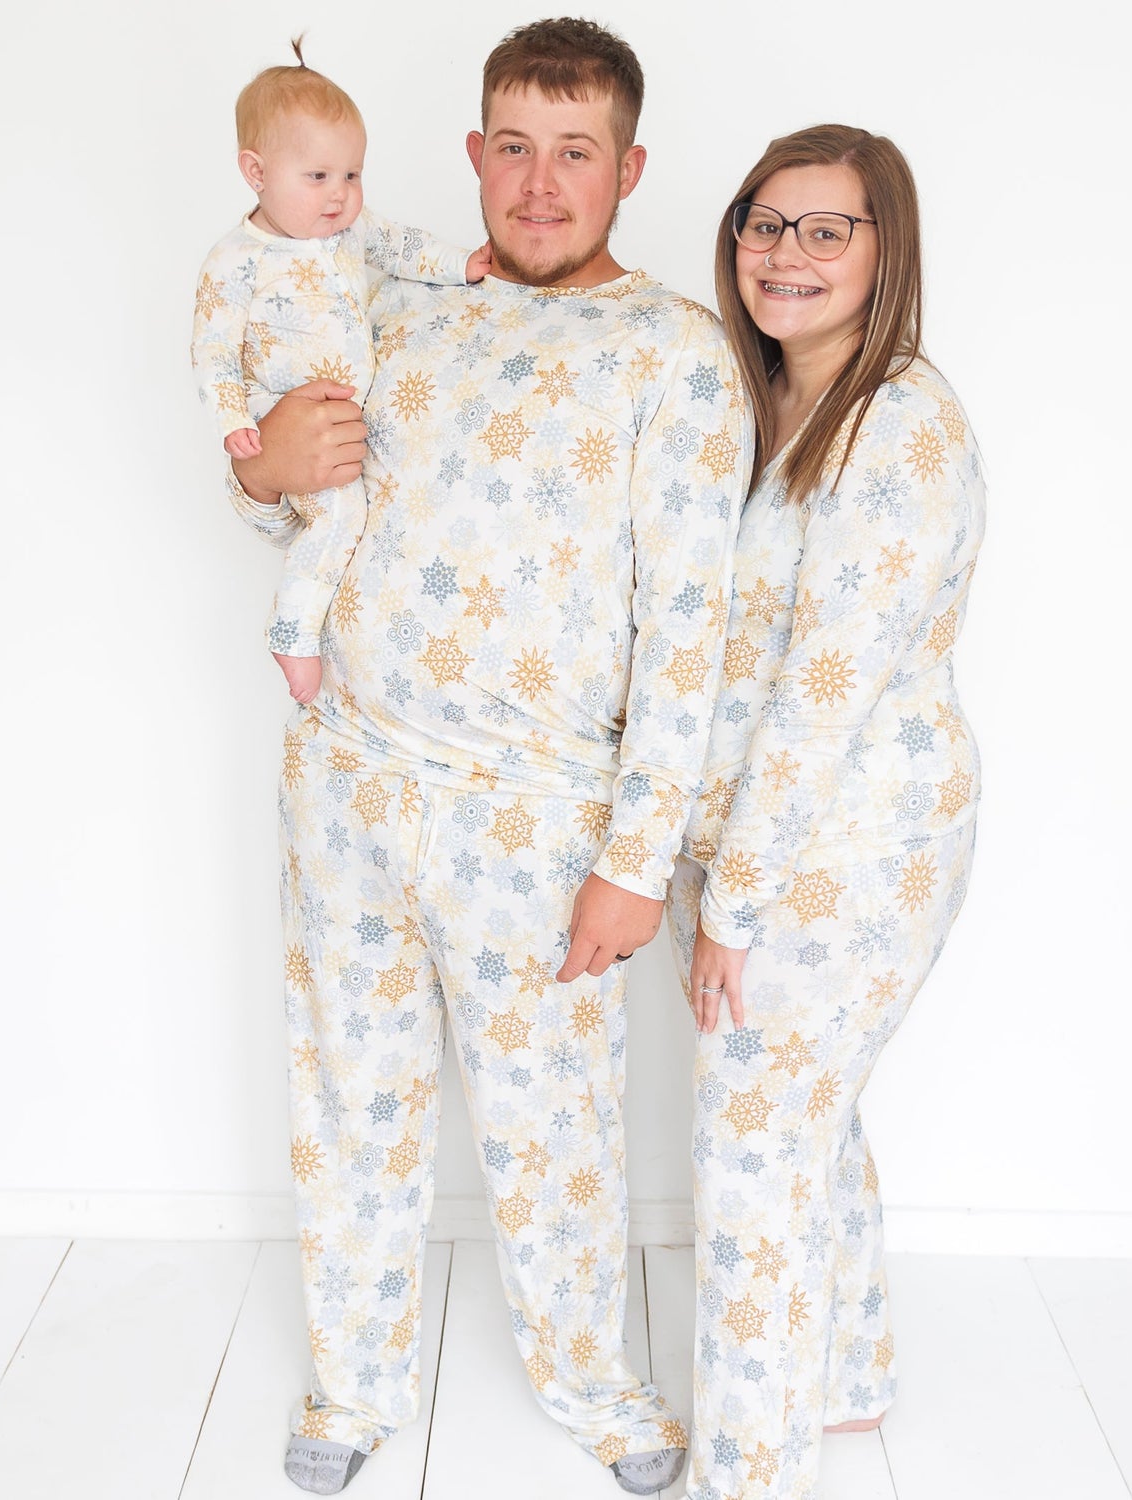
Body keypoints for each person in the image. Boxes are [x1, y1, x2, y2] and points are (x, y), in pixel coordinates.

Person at [224, 18, 752, 1497]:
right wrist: (258, 467)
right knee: (351, 1099)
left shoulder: (675, 357)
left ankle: (593, 1383)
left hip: (536, 822)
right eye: (512, 146)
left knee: (551, 1128)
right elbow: (294, 499)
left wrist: (636, 862)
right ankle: (353, 1380)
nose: (538, 183)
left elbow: (690, 633)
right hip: (349, 787)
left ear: (628, 168)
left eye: (574, 152)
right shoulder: (400, 308)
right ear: (473, 152)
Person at [669, 125, 984, 1498]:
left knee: (752, 1156)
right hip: (775, 840)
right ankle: (846, 1381)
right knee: (806, 1118)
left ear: (883, 249)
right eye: (765, 222)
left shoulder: (896, 429)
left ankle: (747, 1468)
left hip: (843, 850)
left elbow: (821, 697)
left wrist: (732, 906)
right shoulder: (775, 405)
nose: (785, 254)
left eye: (826, 229)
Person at [192, 39, 489, 709]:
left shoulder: (349, 232)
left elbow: (403, 246)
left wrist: (461, 266)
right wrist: (234, 420)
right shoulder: (236, 260)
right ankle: (293, 633)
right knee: (341, 515)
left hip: (344, 424)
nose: (341, 194)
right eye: (319, 176)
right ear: (256, 172)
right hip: (281, 413)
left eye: (353, 175)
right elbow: (212, 349)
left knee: (359, 510)